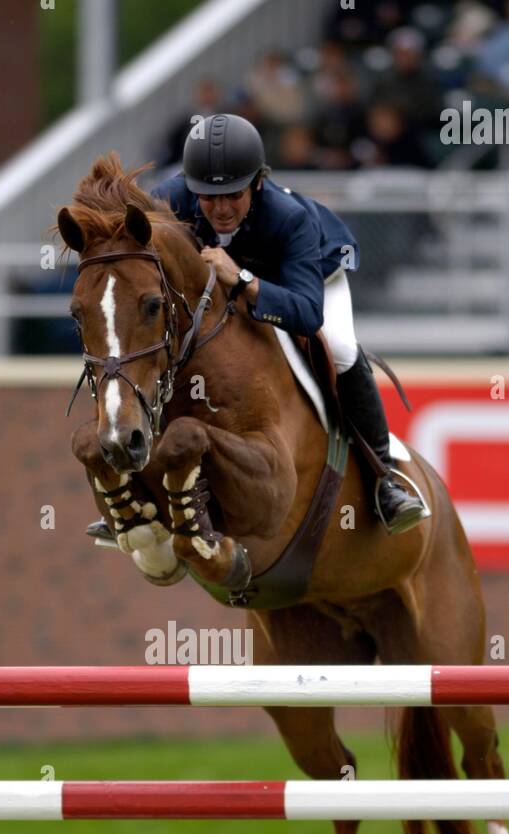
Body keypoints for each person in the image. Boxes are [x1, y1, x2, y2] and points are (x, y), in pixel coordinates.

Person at [151, 112, 427, 533]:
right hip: (233, 277)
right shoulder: (169, 201)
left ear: (257, 182)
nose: (221, 209)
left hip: (312, 276)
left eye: (234, 196)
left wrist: (242, 279)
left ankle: (385, 480)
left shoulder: (291, 218)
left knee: (339, 348)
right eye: (209, 197)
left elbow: (305, 312)